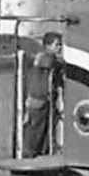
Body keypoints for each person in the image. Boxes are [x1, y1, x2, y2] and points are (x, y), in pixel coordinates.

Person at [21, 31, 64, 159]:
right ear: (48, 46)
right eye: (57, 45)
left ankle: (42, 154)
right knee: (34, 131)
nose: (60, 48)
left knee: (45, 132)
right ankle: (28, 155)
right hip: (36, 101)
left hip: (46, 102)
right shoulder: (42, 58)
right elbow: (49, 62)